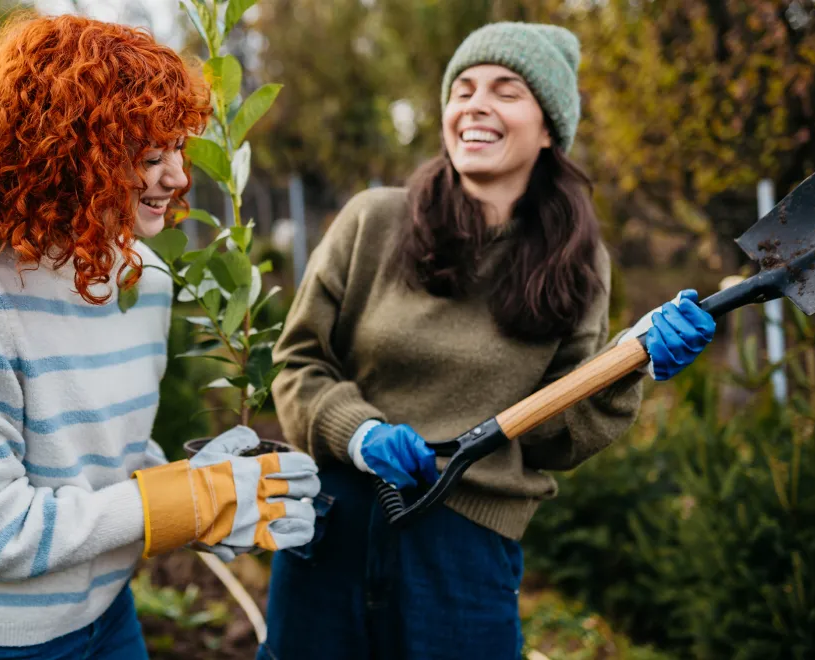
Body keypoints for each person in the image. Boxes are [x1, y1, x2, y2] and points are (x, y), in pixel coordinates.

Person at [261, 21, 715, 660]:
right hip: (333, 525)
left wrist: (631, 365)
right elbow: (299, 363)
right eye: (463, 88)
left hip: (463, 548)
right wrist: (359, 434)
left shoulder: (578, 266)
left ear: (549, 127)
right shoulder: (373, 221)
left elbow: (554, 438)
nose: (475, 104)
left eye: (506, 90)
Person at [0, 14, 319, 659]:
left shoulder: (141, 280)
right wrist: (182, 499)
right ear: (69, 149)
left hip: (114, 619)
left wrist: (204, 500)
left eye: (178, 148)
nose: (178, 177)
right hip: (7, 644)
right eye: (151, 153)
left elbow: (109, 466)